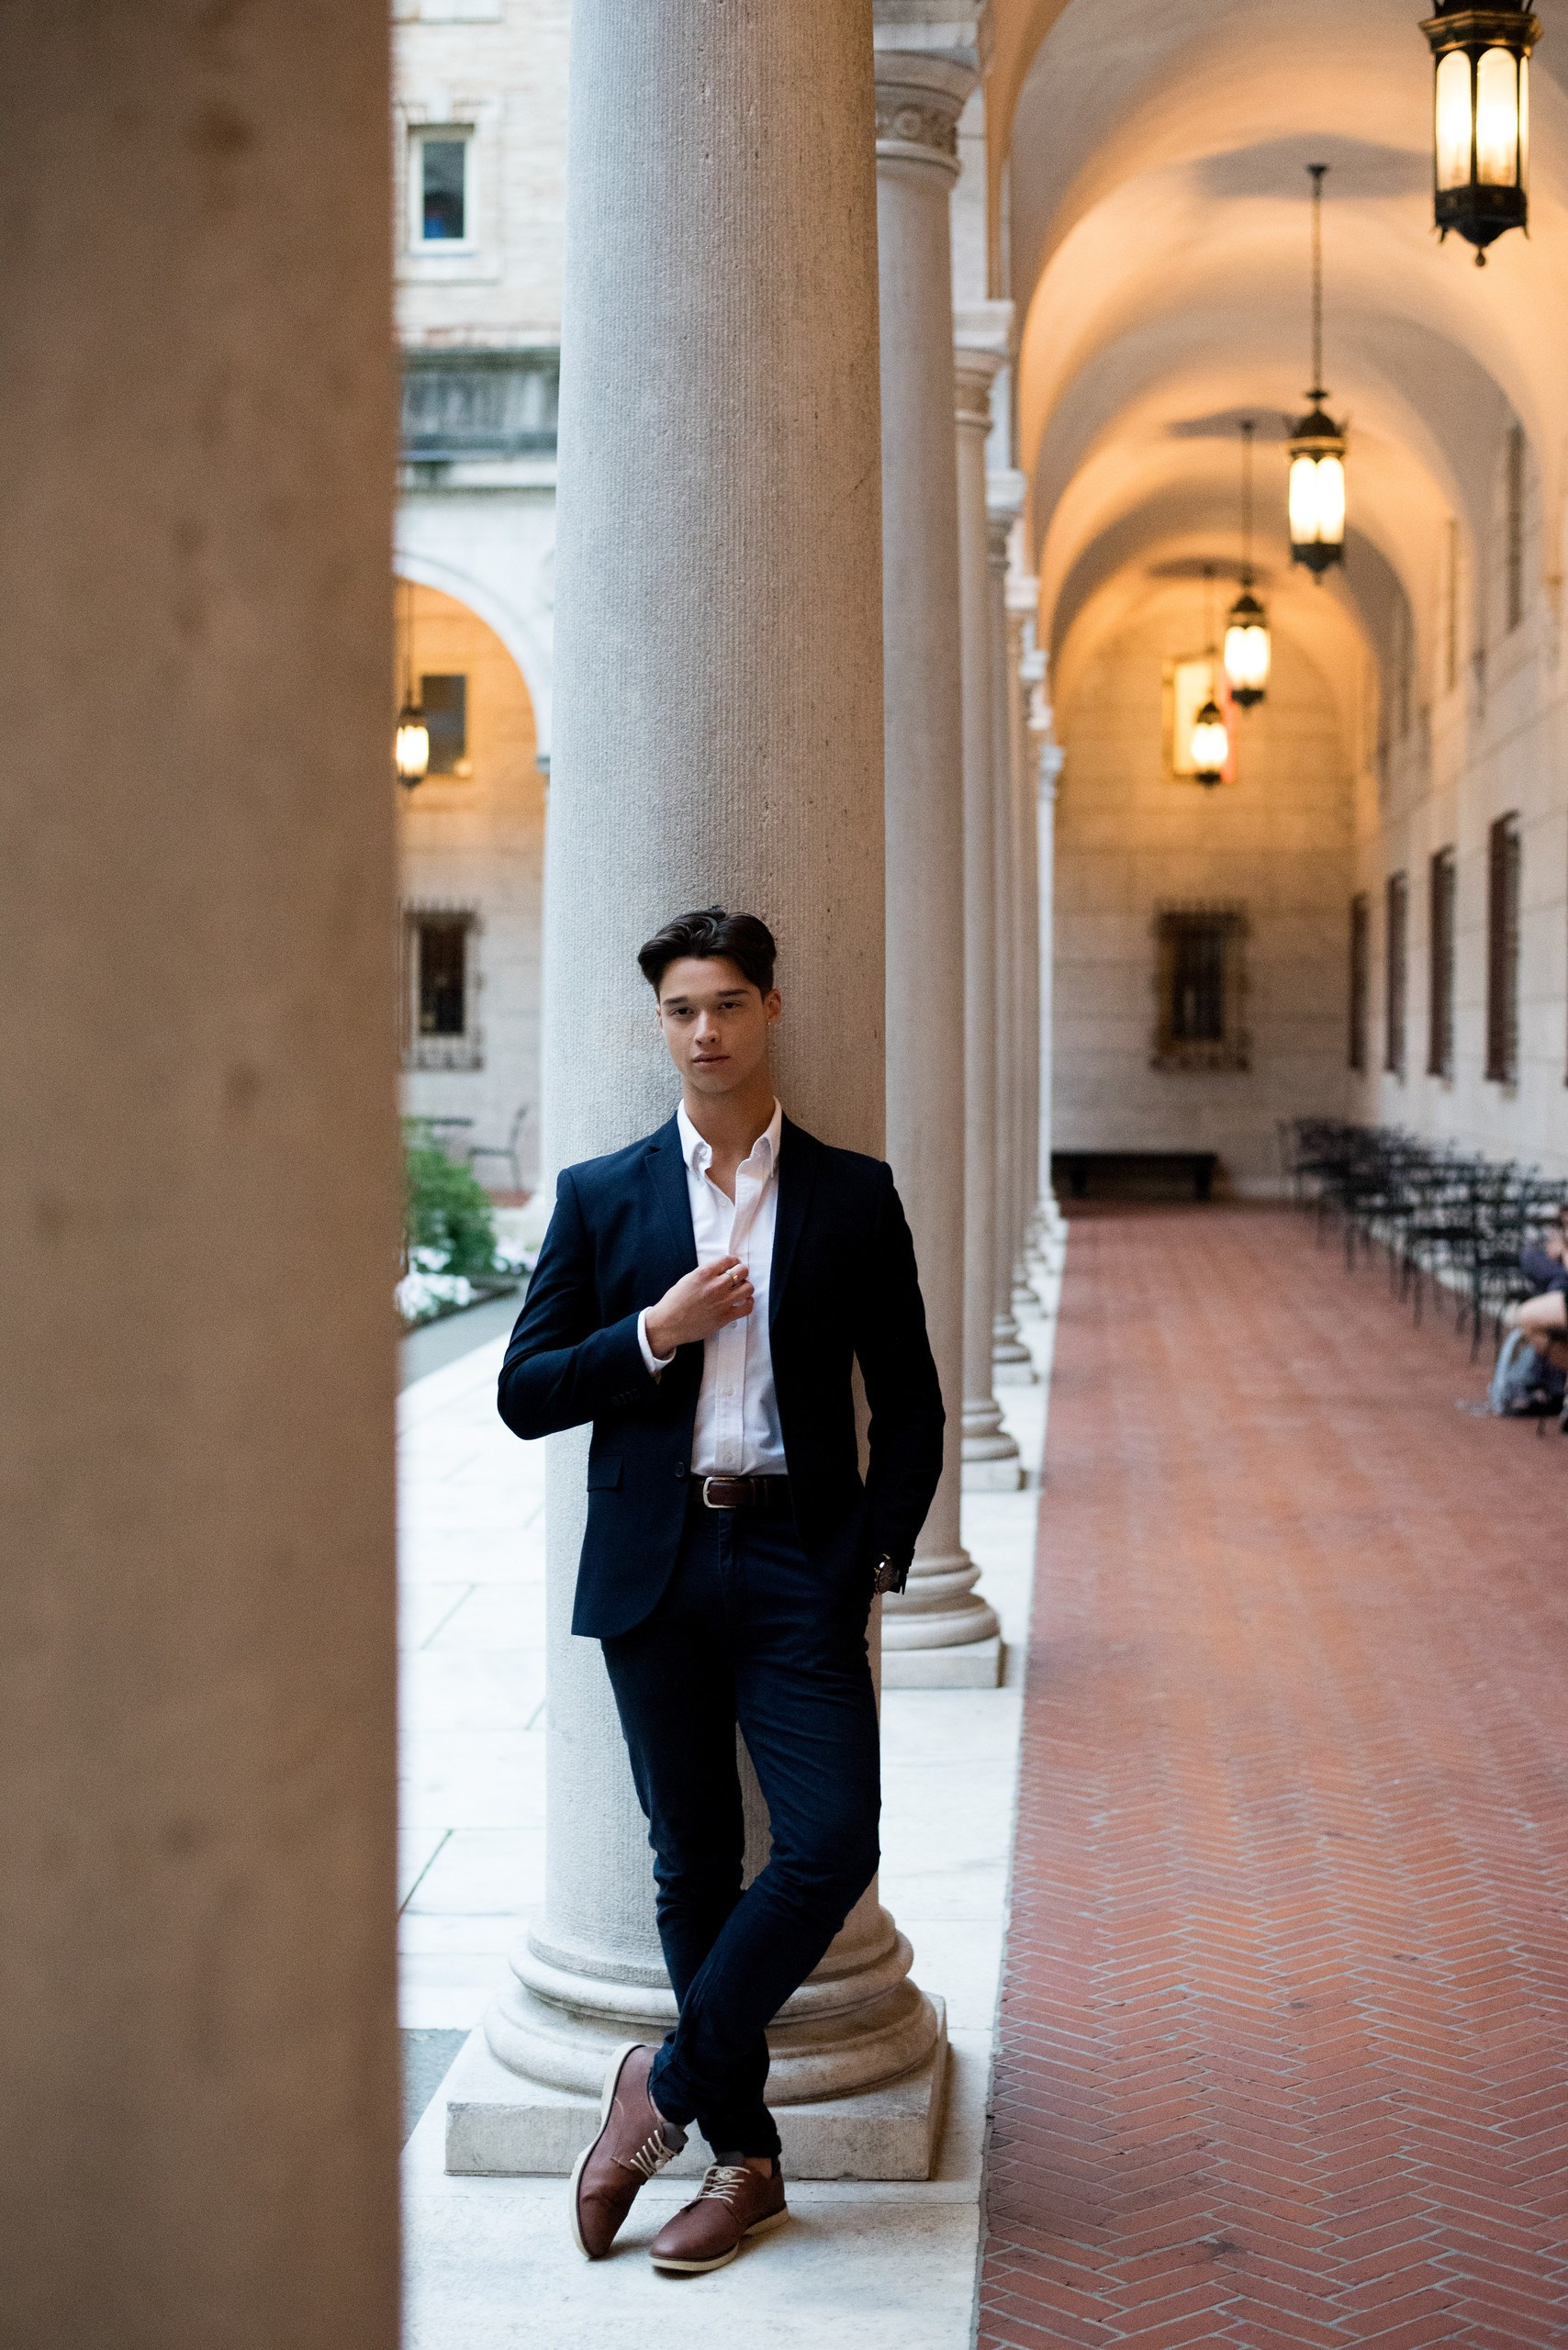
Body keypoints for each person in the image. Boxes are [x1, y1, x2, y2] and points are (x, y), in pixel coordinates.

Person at [497, 907, 944, 2275]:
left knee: (829, 1844)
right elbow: (525, 1392)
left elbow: (912, 1404)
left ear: (771, 1012)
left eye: (730, 1005)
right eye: (684, 1010)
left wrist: (870, 1559)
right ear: (662, 1025)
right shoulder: (603, 1195)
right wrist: (653, 1333)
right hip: (657, 1565)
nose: (707, 1031)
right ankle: (744, 2161)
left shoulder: (851, 1193)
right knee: (691, 1861)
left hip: (797, 1562)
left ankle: (664, 2090)